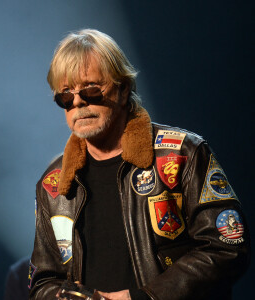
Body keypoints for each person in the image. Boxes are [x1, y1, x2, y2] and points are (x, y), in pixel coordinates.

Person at [29, 29, 250, 300]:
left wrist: (146, 297)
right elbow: (43, 282)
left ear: (122, 90)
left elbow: (227, 246)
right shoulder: (52, 185)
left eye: (90, 89)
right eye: (65, 96)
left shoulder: (185, 153)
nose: (78, 101)